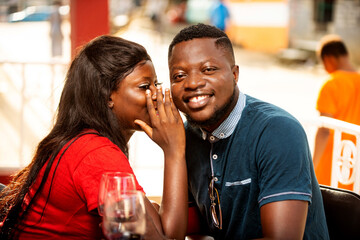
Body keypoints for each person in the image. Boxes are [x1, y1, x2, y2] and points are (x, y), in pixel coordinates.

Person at [0, 35, 187, 240]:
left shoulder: (84, 141)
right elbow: (170, 235)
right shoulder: (96, 152)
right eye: (144, 87)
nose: (156, 94)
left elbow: (152, 228)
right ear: (107, 96)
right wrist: (174, 151)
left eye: (156, 84)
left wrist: (150, 213)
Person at [167, 23, 329, 239]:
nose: (193, 82)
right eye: (179, 76)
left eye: (208, 69)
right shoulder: (187, 135)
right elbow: (188, 227)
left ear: (234, 74)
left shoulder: (277, 131)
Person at [313, 34, 360, 190]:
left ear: (329, 59)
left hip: (333, 163)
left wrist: (313, 166)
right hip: (355, 163)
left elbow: (324, 129)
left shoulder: (332, 83)